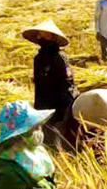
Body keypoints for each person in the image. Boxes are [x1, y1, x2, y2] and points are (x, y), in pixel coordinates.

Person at [23, 20, 77, 148]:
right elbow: (39, 84)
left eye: (42, 34)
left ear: (52, 36)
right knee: (47, 133)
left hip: (60, 103)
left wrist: (66, 105)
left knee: (60, 130)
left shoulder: (59, 57)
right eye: (38, 34)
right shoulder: (38, 58)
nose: (39, 37)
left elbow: (67, 83)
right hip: (43, 102)